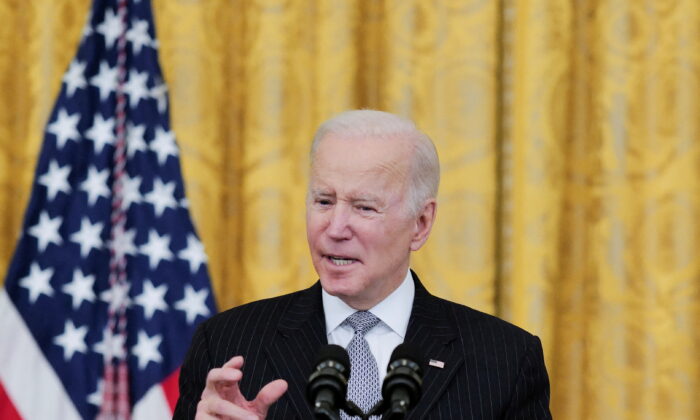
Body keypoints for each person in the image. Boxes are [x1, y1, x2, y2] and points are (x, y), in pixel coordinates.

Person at [173, 110, 552, 419]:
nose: (335, 228)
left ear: (420, 224)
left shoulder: (505, 361)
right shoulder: (225, 347)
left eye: (364, 207)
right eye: (323, 201)